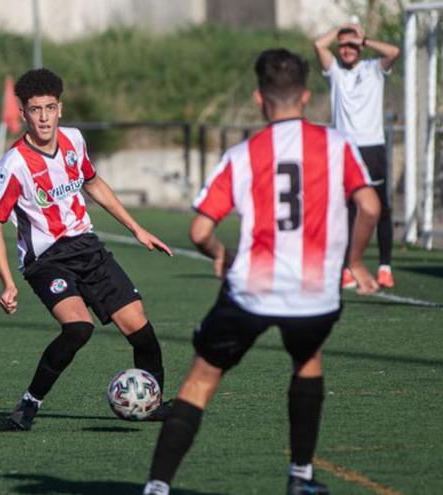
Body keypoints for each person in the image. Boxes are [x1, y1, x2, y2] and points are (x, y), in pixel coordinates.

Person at [142, 49, 380, 495]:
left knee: (201, 378)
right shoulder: (337, 145)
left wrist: (219, 252)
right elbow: (369, 206)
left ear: (259, 99)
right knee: (306, 358)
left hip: (251, 290)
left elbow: (199, 230)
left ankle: (157, 486)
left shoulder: (243, 154)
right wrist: (355, 262)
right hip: (315, 295)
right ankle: (301, 477)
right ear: (307, 96)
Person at [0, 68, 173, 431]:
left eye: (49, 108)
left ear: (60, 109)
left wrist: (136, 229)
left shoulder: (74, 141)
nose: (43, 117)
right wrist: (8, 282)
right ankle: (29, 403)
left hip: (87, 248)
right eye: (35, 109)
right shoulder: (14, 164)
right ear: (23, 113)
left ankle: (151, 403)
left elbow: (93, 182)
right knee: (78, 329)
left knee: (142, 331)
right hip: (47, 261)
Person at [314, 22, 400, 288]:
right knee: (346, 209)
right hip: (345, 149)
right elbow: (319, 45)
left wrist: (364, 39)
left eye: (352, 45)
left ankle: (384, 267)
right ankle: (348, 267)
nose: (347, 50)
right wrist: (341, 28)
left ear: (361, 47)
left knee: (381, 208)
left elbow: (394, 51)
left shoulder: (373, 69)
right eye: (343, 46)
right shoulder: (335, 73)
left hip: (372, 147)